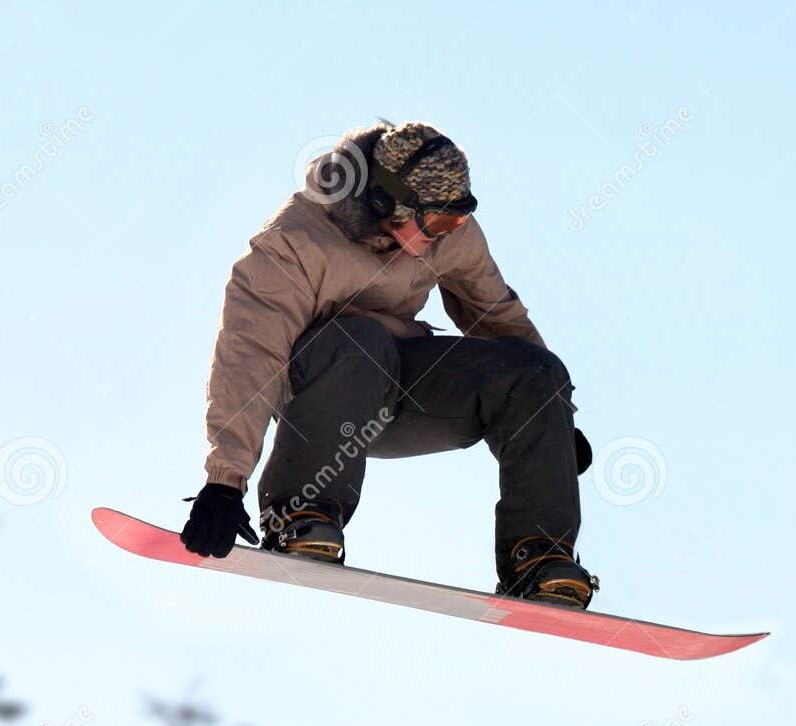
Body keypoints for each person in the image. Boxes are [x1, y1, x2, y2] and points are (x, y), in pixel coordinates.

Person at [179, 121, 598, 608]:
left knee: (535, 372)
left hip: (396, 385)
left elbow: (498, 316)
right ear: (385, 204)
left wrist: (550, 417)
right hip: (320, 395)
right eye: (437, 224)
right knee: (361, 339)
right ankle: (301, 514)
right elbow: (249, 356)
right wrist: (225, 482)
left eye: (457, 222)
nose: (446, 236)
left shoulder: (446, 234)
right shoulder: (294, 242)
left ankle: (539, 559)